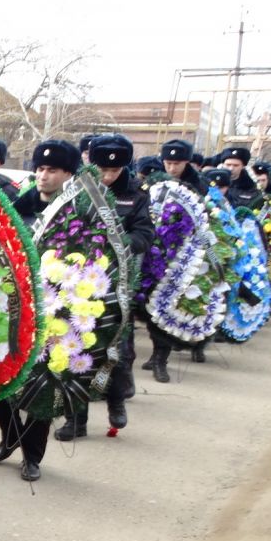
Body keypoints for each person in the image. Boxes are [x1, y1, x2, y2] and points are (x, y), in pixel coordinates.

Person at [0, 139, 80, 482]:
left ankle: (32, 456)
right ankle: (11, 436)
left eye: (52, 170)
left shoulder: (77, 214)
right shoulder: (15, 207)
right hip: (11, 308)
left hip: (58, 312)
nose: (43, 176)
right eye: (39, 169)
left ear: (68, 174)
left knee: (45, 386)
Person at [55, 134, 155, 439]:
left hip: (117, 282)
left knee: (116, 349)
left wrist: (119, 245)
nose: (108, 176)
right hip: (77, 281)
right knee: (75, 348)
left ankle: (116, 400)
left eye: (114, 171)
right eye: (102, 170)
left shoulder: (137, 194)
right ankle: (76, 421)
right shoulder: (76, 189)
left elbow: (145, 233)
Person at [142, 139, 204, 379]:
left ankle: (161, 359)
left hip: (181, 257)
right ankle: (155, 354)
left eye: (177, 163)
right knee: (147, 307)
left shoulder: (198, 186)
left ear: (187, 162)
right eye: (168, 162)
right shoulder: (154, 182)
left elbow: (203, 222)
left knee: (167, 306)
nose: (172, 168)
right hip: (153, 253)